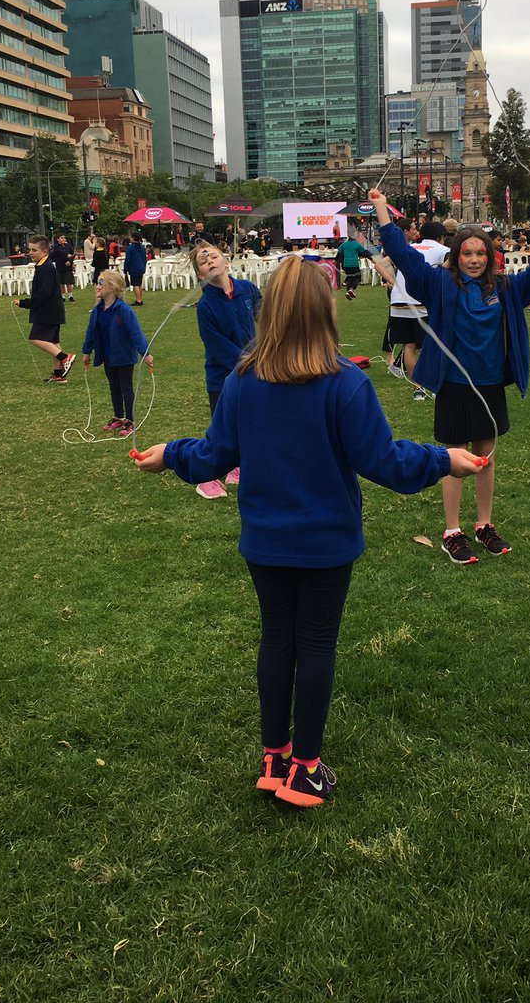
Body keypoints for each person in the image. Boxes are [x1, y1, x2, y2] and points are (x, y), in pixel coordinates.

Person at [133, 257, 485, 804]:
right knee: (310, 643)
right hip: (318, 542)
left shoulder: (260, 381)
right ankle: (300, 768)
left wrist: (175, 456)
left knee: (280, 639)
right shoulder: (329, 382)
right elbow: (384, 461)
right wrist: (444, 459)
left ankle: (279, 757)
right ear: (325, 312)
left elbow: (215, 455)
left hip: (273, 541)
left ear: (268, 312)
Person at [373, 189, 530, 565]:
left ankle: (484, 524)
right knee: (454, 460)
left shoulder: (507, 288)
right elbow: (404, 258)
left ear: (491, 257)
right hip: (455, 387)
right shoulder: (439, 284)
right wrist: (383, 211)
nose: (475, 260)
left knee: (486, 457)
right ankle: (451, 531)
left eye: (481, 253)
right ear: (455, 256)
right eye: (467, 253)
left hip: (491, 385)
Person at [189, 241, 260, 499]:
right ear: (200, 275)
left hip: (252, 371)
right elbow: (217, 347)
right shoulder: (206, 305)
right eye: (202, 260)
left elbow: (269, 318)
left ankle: (236, 468)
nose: (209, 260)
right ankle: (204, 477)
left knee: (246, 423)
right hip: (222, 377)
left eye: (213, 255)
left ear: (226, 261)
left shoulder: (247, 289)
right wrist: (250, 361)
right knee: (222, 429)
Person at [382, 219, 450, 403]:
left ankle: (418, 389)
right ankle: (435, 387)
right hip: (423, 301)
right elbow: (449, 271)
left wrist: (394, 282)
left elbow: (380, 263)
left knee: (409, 347)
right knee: (434, 345)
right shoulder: (442, 250)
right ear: (441, 237)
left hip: (398, 301)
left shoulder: (411, 247)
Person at [81, 269, 153, 437]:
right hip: (108, 356)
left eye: (100, 283)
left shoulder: (124, 310)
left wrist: (146, 353)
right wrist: (87, 351)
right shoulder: (98, 310)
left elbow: (136, 333)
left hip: (124, 357)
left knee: (126, 387)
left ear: (112, 287)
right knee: (114, 387)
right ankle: (118, 417)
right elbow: (91, 332)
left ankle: (130, 420)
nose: (97, 287)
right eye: (96, 283)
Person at [13, 235, 75, 383]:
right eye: (30, 249)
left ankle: (65, 358)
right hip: (51, 310)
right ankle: (59, 374)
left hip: (48, 311)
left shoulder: (46, 268)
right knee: (52, 342)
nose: (31, 253)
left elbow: (44, 293)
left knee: (36, 338)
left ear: (45, 252)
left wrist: (25, 303)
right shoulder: (42, 266)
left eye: (35, 250)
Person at [335, 230, 375, 300]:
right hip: (354, 263)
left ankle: (349, 291)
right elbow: (365, 252)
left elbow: (338, 254)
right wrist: (372, 259)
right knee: (357, 277)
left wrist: (334, 260)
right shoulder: (356, 244)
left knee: (350, 278)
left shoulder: (344, 244)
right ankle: (352, 289)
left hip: (346, 265)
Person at [123, 232, 148, 306]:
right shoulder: (142, 247)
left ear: (133, 238)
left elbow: (128, 259)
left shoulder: (131, 248)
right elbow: (145, 258)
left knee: (135, 285)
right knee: (139, 284)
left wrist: (125, 268)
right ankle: (140, 298)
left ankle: (138, 300)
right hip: (141, 267)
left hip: (134, 268)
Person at [51, 232, 75, 303]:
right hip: (60, 267)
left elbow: (73, 254)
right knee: (61, 283)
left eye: (64, 238)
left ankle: (70, 296)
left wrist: (70, 261)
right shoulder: (56, 247)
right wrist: (67, 254)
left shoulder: (68, 246)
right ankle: (63, 297)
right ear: (58, 239)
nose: (63, 239)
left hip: (68, 267)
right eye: (62, 238)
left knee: (68, 282)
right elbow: (59, 251)